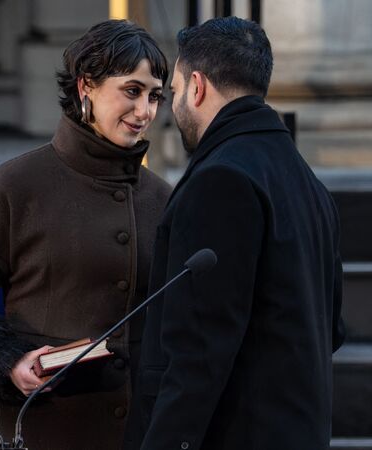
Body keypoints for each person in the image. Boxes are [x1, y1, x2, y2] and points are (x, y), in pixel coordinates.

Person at [0, 19, 172, 450]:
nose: (145, 111)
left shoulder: (163, 198)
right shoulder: (16, 184)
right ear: (86, 86)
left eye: (155, 96)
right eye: (131, 91)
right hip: (31, 431)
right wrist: (8, 363)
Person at [124, 16, 345, 450]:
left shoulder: (220, 179)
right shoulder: (307, 182)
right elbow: (331, 329)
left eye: (174, 93)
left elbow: (197, 353)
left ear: (198, 86)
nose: (174, 106)